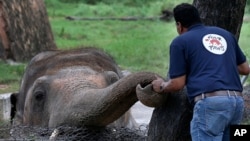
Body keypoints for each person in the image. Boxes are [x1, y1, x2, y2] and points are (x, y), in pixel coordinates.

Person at [151, 3, 250, 141]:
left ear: (179, 25)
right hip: (236, 103)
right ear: (198, 18)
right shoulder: (226, 35)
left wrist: (161, 86)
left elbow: (177, 84)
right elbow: (245, 69)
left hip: (211, 104)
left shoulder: (180, 42)